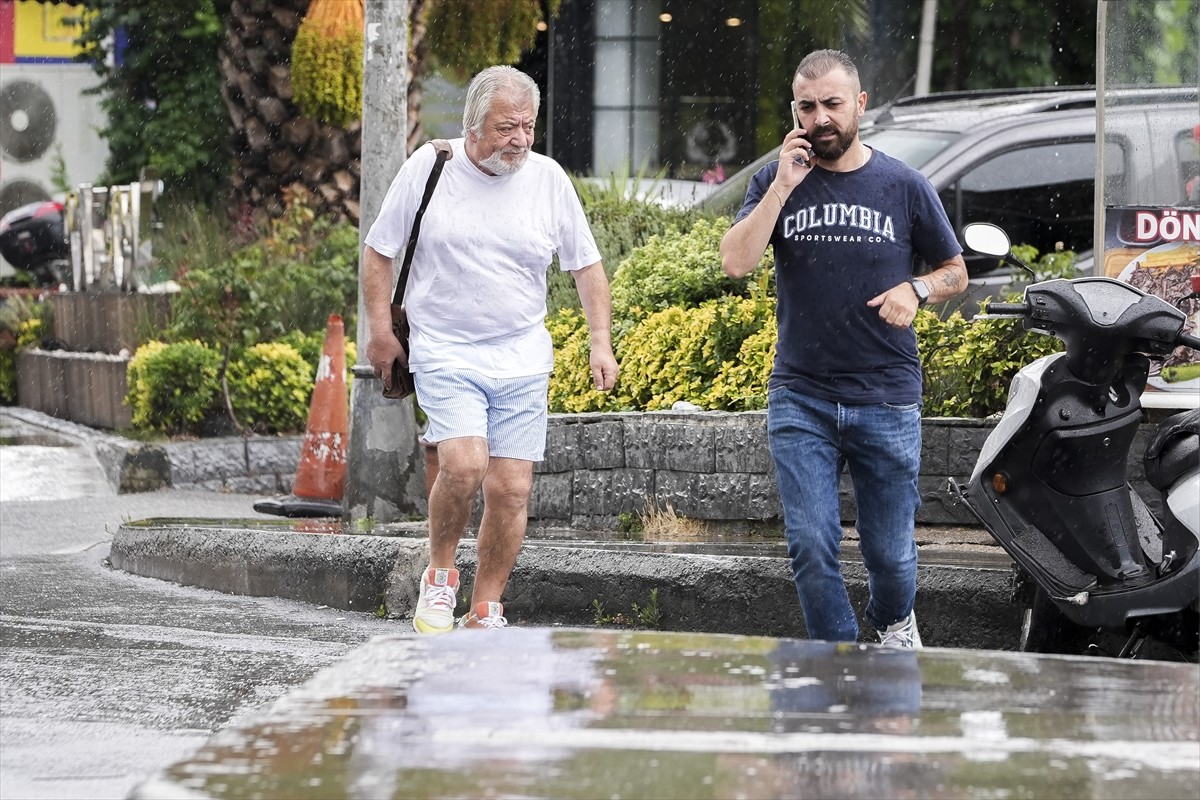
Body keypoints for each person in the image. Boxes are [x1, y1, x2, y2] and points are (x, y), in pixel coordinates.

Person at [719, 50, 967, 648]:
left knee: (890, 554)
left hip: (885, 396)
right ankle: (837, 658)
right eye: (808, 106)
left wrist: (917, 287)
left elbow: (954, 271)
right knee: (810, 543)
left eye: (832, 104)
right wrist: (782, 184)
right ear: (795, 111)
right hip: (800, 394)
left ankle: (892, 625)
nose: (820, 118)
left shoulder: (902, 184)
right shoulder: (775, 182)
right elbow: (735, 262)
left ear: (858, 105)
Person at [363, 65, 619, 633]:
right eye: (507, 128)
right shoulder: (432, 166)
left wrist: (600, 340)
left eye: (528, 127)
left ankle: (486, 606)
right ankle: (440, 577)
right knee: (464, 463)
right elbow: (380, 251)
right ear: (472, 126)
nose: (520, 141)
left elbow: (587, 266)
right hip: (446, 348)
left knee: (511, 487)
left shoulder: (548, 180)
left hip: (522, 354)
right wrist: (381, 331)